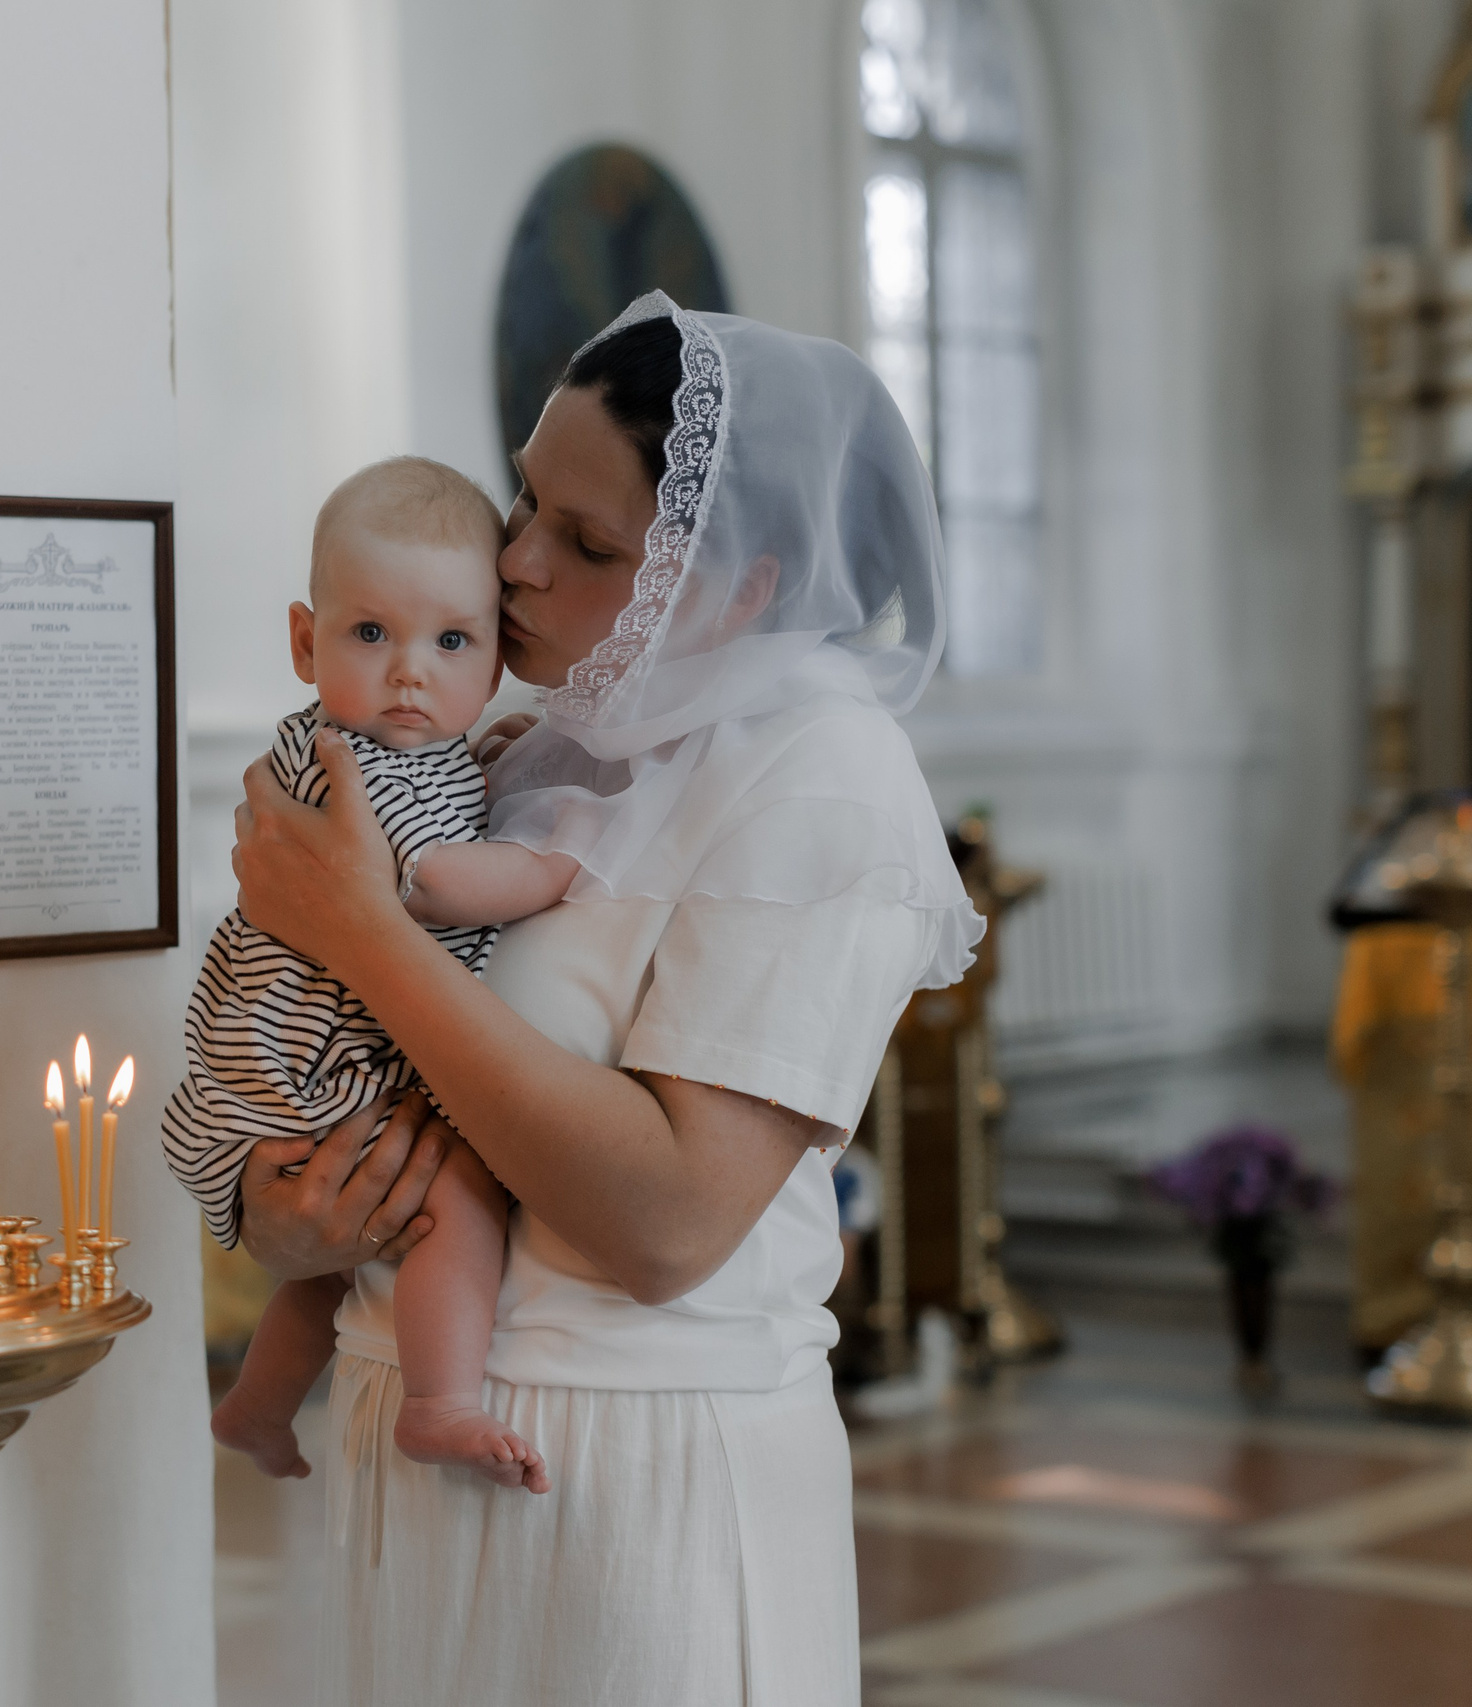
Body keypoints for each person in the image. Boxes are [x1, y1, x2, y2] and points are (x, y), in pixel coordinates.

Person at [227, 292, 981, 1704]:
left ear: (743, 582)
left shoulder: (824, 778)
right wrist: (284, 1212)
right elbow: (391, 1076)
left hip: (634, 1478)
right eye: (522, 497)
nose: (510, 563)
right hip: (412, 1431)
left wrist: (359, 922)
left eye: (583, 542)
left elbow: (669, 1221)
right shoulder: (538, 748)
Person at [165, 457, 574, 1494]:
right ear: (305, 641)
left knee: (349, 1258)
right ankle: (441, 1404)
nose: (408, 673)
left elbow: (433, 806)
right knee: (454, 1210)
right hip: (319, 1069)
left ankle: (256, 1408)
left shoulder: (369, 753)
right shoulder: (348, 766)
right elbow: (431, 883)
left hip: (277, 1071)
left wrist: (485, 764)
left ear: (494, 662)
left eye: (449, 643)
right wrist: (555, 867)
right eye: (369, 635)